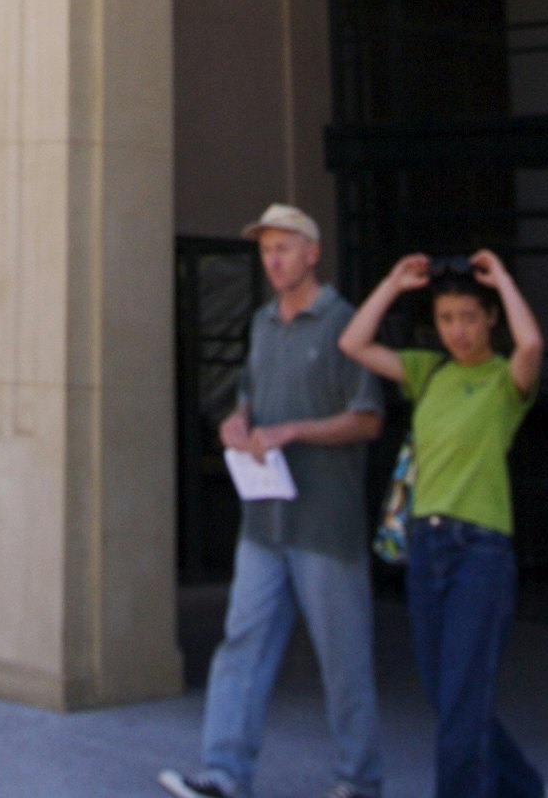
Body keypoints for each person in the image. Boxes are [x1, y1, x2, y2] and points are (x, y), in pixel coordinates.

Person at [158, 205, 385, 798]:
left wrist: (294, 432)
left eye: (285, 248)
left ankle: (359, 780)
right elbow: (250, 398)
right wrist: (237, 423)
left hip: (325, 525)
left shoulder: (345, 323)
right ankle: (224, 774)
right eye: (266, 250)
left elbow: (367, 419)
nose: (274, 259)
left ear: (313, 253)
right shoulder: (260, 323)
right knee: (243, 644)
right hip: (263, 522)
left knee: (343, 661)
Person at [341, 250, 547, 798]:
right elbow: (353, 344)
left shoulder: (505, 382)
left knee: (460, 702)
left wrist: (502, 278)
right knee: (449, 696)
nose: (458, 330)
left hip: (479, 551)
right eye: (447, 319)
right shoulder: (428, 372)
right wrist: (391, 283)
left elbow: (532, 346)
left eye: (469, 318)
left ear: (490, 320)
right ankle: (527, 789)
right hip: (427, 548)